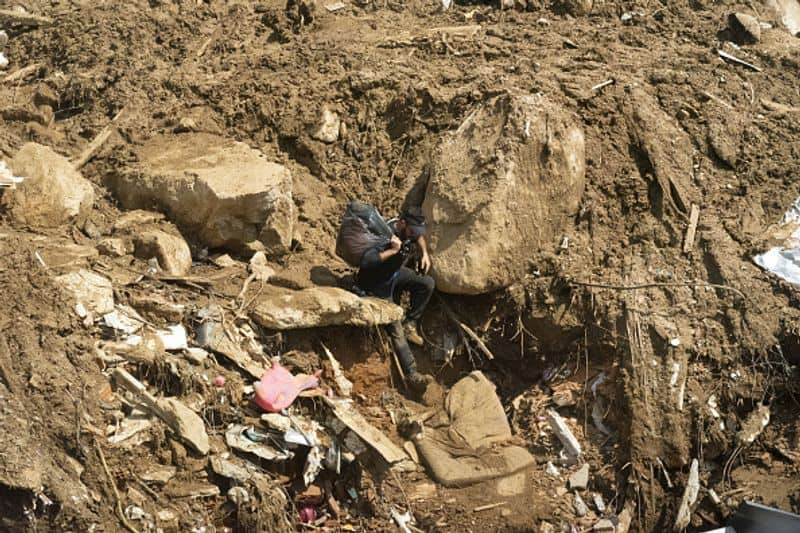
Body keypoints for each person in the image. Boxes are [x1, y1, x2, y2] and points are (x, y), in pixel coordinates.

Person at [356, 206, 435, 389]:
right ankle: (412, 374)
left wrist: (425, 253)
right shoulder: (383, 234)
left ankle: (411, 324)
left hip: (393, 276)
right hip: (376, 287)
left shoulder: (409, 231)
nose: (415, 235)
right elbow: (366, 261)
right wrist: (392, 251)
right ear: (402, 223)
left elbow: (419, 237)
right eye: (413, 230)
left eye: (417, 231)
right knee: (396, 329)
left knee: (427, 284)